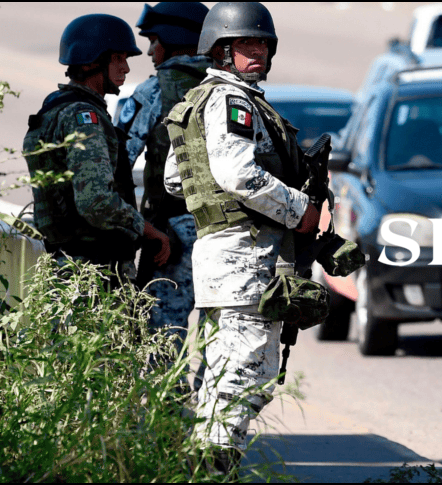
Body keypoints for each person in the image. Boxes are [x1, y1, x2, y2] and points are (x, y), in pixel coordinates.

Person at [163, 2, 320, 471]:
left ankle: (202, 468)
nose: (256, 52)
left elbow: (178, 179)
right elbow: (236, 174)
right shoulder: (234, 102)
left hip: (221, 259)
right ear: (220, 51)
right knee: (247, 375)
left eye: (261, 44)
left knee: (220, 377)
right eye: (244, 45)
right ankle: (213, 470)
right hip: (246, 259)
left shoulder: (197, 101)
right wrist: (300, 211)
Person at [23, 14, 170, 282]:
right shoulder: (84, 117)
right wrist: (149, 231)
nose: (125, 68)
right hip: (94, 270)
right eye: (118, 58)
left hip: (65, 264)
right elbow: (96, 201)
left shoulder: (54, 108)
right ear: (92, 61)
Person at [117, 2, 210, 358]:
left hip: (173, 237)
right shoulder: (232, 91)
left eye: (155, 41)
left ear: (173, 40)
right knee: (219, 345)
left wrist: (134, 227)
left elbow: (118, 160)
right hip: (228, 236)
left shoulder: (155, 91)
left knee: (161, 342)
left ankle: (169, 413)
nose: (151, 51)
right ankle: (210, 412)